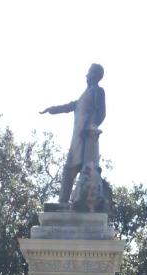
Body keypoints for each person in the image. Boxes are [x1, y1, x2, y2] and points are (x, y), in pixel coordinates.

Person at [40, 64, 106, 203]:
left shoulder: (98, 91)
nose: (86, 75)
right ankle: (63, 202)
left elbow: (102, 113)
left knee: (85, 169)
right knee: (69, 168)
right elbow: (70, 106)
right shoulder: (84, 94)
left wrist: (92, 126)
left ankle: (82, 200)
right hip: (77, 136)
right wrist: (52, 109)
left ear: (94, 75)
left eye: (89, 72)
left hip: (87, 137)